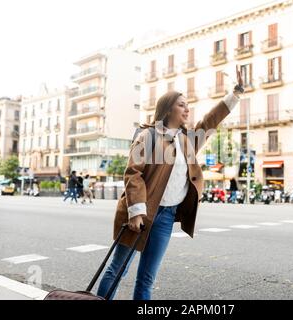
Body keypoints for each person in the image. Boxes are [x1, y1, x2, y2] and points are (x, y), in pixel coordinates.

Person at [96, 66, 244, 300]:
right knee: (117, 270)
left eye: (187, 105)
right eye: (181, 104)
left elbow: (210, 121)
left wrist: (235, 93)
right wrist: (136, 211)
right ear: (167, 109)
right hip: (141, 215)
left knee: (146, 279)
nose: (187, 108)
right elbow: (132, 173)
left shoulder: (187, 141)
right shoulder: (148, 136)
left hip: (166, 217)